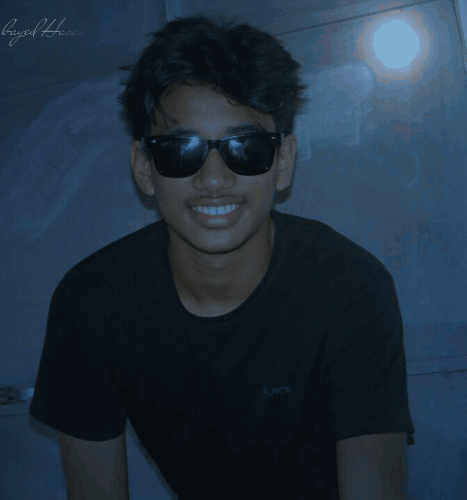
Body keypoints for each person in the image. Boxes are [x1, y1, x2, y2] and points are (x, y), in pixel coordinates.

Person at [29, 13, 415, 500]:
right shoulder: (92, 305)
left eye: (246, 147)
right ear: (144, 169)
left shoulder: (350, 289)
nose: (214, 179)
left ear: (283, 162)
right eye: (180, 149)